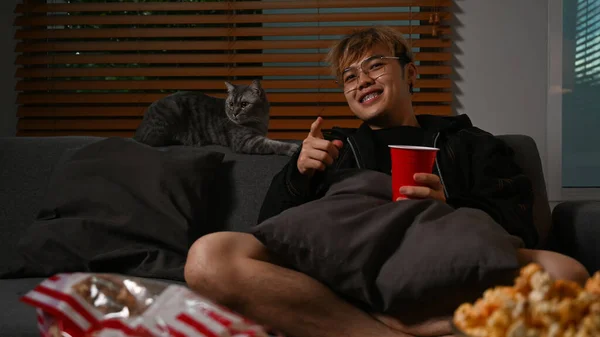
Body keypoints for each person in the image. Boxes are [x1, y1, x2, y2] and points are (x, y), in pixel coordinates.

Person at [184, 26, 589, 337]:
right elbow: (276, 234)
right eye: (349, 76)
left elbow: (521, 224)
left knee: (565, 273)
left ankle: (396, 319)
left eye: (374, 65)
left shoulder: (469, 143)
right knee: (209, 257)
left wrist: (452, 205)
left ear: (411, 72)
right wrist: (299, 175)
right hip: (354, 268)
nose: (361, 80)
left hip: (447, 262)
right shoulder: (333, 148)